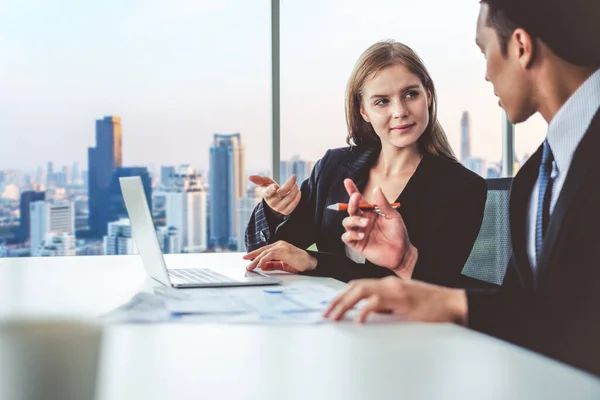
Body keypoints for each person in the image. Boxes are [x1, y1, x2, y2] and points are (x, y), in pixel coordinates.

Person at [325, 0, 600, 376]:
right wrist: (407, 261)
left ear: (521, 47)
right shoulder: (535, 178)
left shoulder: (504, 181)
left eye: (483, 50)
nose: (486, 74)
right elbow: (534, 311)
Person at [244, 40, 488, 288]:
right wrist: (276, 211)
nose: (400, 111)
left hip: (404, 323)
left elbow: (434, 286)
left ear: (429, 96)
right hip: (329, 314)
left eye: (410, 94)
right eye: (382, 101)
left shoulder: (462, 188)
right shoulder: (334, 167)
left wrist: (316, 262)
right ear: (363, 111)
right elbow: (265, 254)